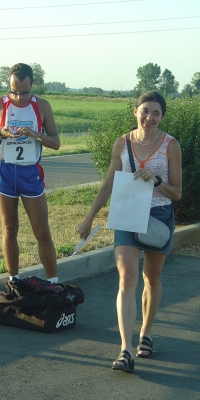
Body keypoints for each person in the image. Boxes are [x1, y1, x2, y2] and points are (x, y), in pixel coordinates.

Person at [78, 90, 182, 372]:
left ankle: (145, 333)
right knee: (127, 278)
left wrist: (158, 180)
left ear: (162, 117)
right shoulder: (122, 143)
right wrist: (89, 218)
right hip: (126, 214)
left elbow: (177, 193)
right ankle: (125, 349)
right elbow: (109, 184)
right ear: (135, 111)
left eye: (156, 113)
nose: (149, 117)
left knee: (152, 277)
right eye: (145, 110)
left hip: (158, 216)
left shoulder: (171, 145)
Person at [0, 63, 60, 283]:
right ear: (9, 85)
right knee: (9, 227)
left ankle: (53, 283)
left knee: (42, 231)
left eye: (24, 92)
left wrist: (36, 134)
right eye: (15, 91)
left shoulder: (42, 106)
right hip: (5, 171)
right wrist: (0, 135)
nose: (20, 97)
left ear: (32, 85)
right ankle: (13, 280)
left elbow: (56, 142)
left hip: (30, 172)